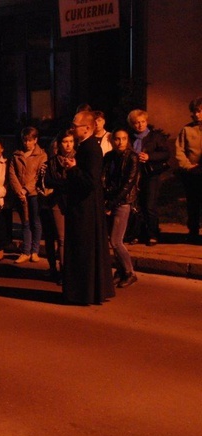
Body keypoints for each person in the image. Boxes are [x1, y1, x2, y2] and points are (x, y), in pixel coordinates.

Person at [62, 111, 115, 305]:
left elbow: (91, 181)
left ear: (87, 128)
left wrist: (73, 169)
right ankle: (86, 292)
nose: (72, 128)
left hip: (85, 209)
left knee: (83, 250)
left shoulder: (91, 148)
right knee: (84, 250)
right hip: (83, 206)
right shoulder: (85, 146)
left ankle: (83, 293)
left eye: (75, 125)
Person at [102, 127, 140, 288]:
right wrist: (105, 195)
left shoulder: (132, 157)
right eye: (117, 139)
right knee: (112, 239)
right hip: (109, 199)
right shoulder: (109, 156)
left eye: (124, 139)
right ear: (112, 141)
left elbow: (128, 183)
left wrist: (113, 202)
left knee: (116, 240)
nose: (120, 142)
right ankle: (121, 271)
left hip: (123, 201)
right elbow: (103, 177)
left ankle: (130, 272)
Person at [128, 109, 170, 246]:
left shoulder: (155, 137)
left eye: (143, 122)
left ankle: (153, 234)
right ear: (132, 124)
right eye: (136, 123)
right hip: (135, 175)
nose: (140, 125)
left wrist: (149, 156)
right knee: (136, 205)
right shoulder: (130, 137)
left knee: (149, 205)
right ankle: (137, 234)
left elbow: (165, 153)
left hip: (151, 174)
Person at [8, 127, 47, 264]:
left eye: (30, 140)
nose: (27, 143)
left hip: (34, 194)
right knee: (25, 222)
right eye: (25, 140)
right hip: (20, 195)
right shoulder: (16, 155)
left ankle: (35, 251)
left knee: (35, 222)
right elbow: (12, 174)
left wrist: (25, 189)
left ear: (35, 140)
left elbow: (38, 177)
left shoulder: (42, 155)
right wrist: (19, 190)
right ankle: (25, 251)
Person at [39, 130, 74, 284]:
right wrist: (65, 184)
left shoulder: (78, 158)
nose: (68, 145)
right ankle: (62, 270)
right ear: (59, 144)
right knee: (60, 238)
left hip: (73, 201)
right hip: (56, 202)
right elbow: (49, 181)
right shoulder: (52, 162)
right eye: (65, 141)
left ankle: (72, 269)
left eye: (71, 141)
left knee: (70, 238)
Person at [174, 97, 202, 244]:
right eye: (195, 111)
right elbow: (179, 150)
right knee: (193, 204)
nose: (197, 114)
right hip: (191, 174)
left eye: (200, 111)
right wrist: (188, 166)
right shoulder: (187, 129)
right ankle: (193, 232)